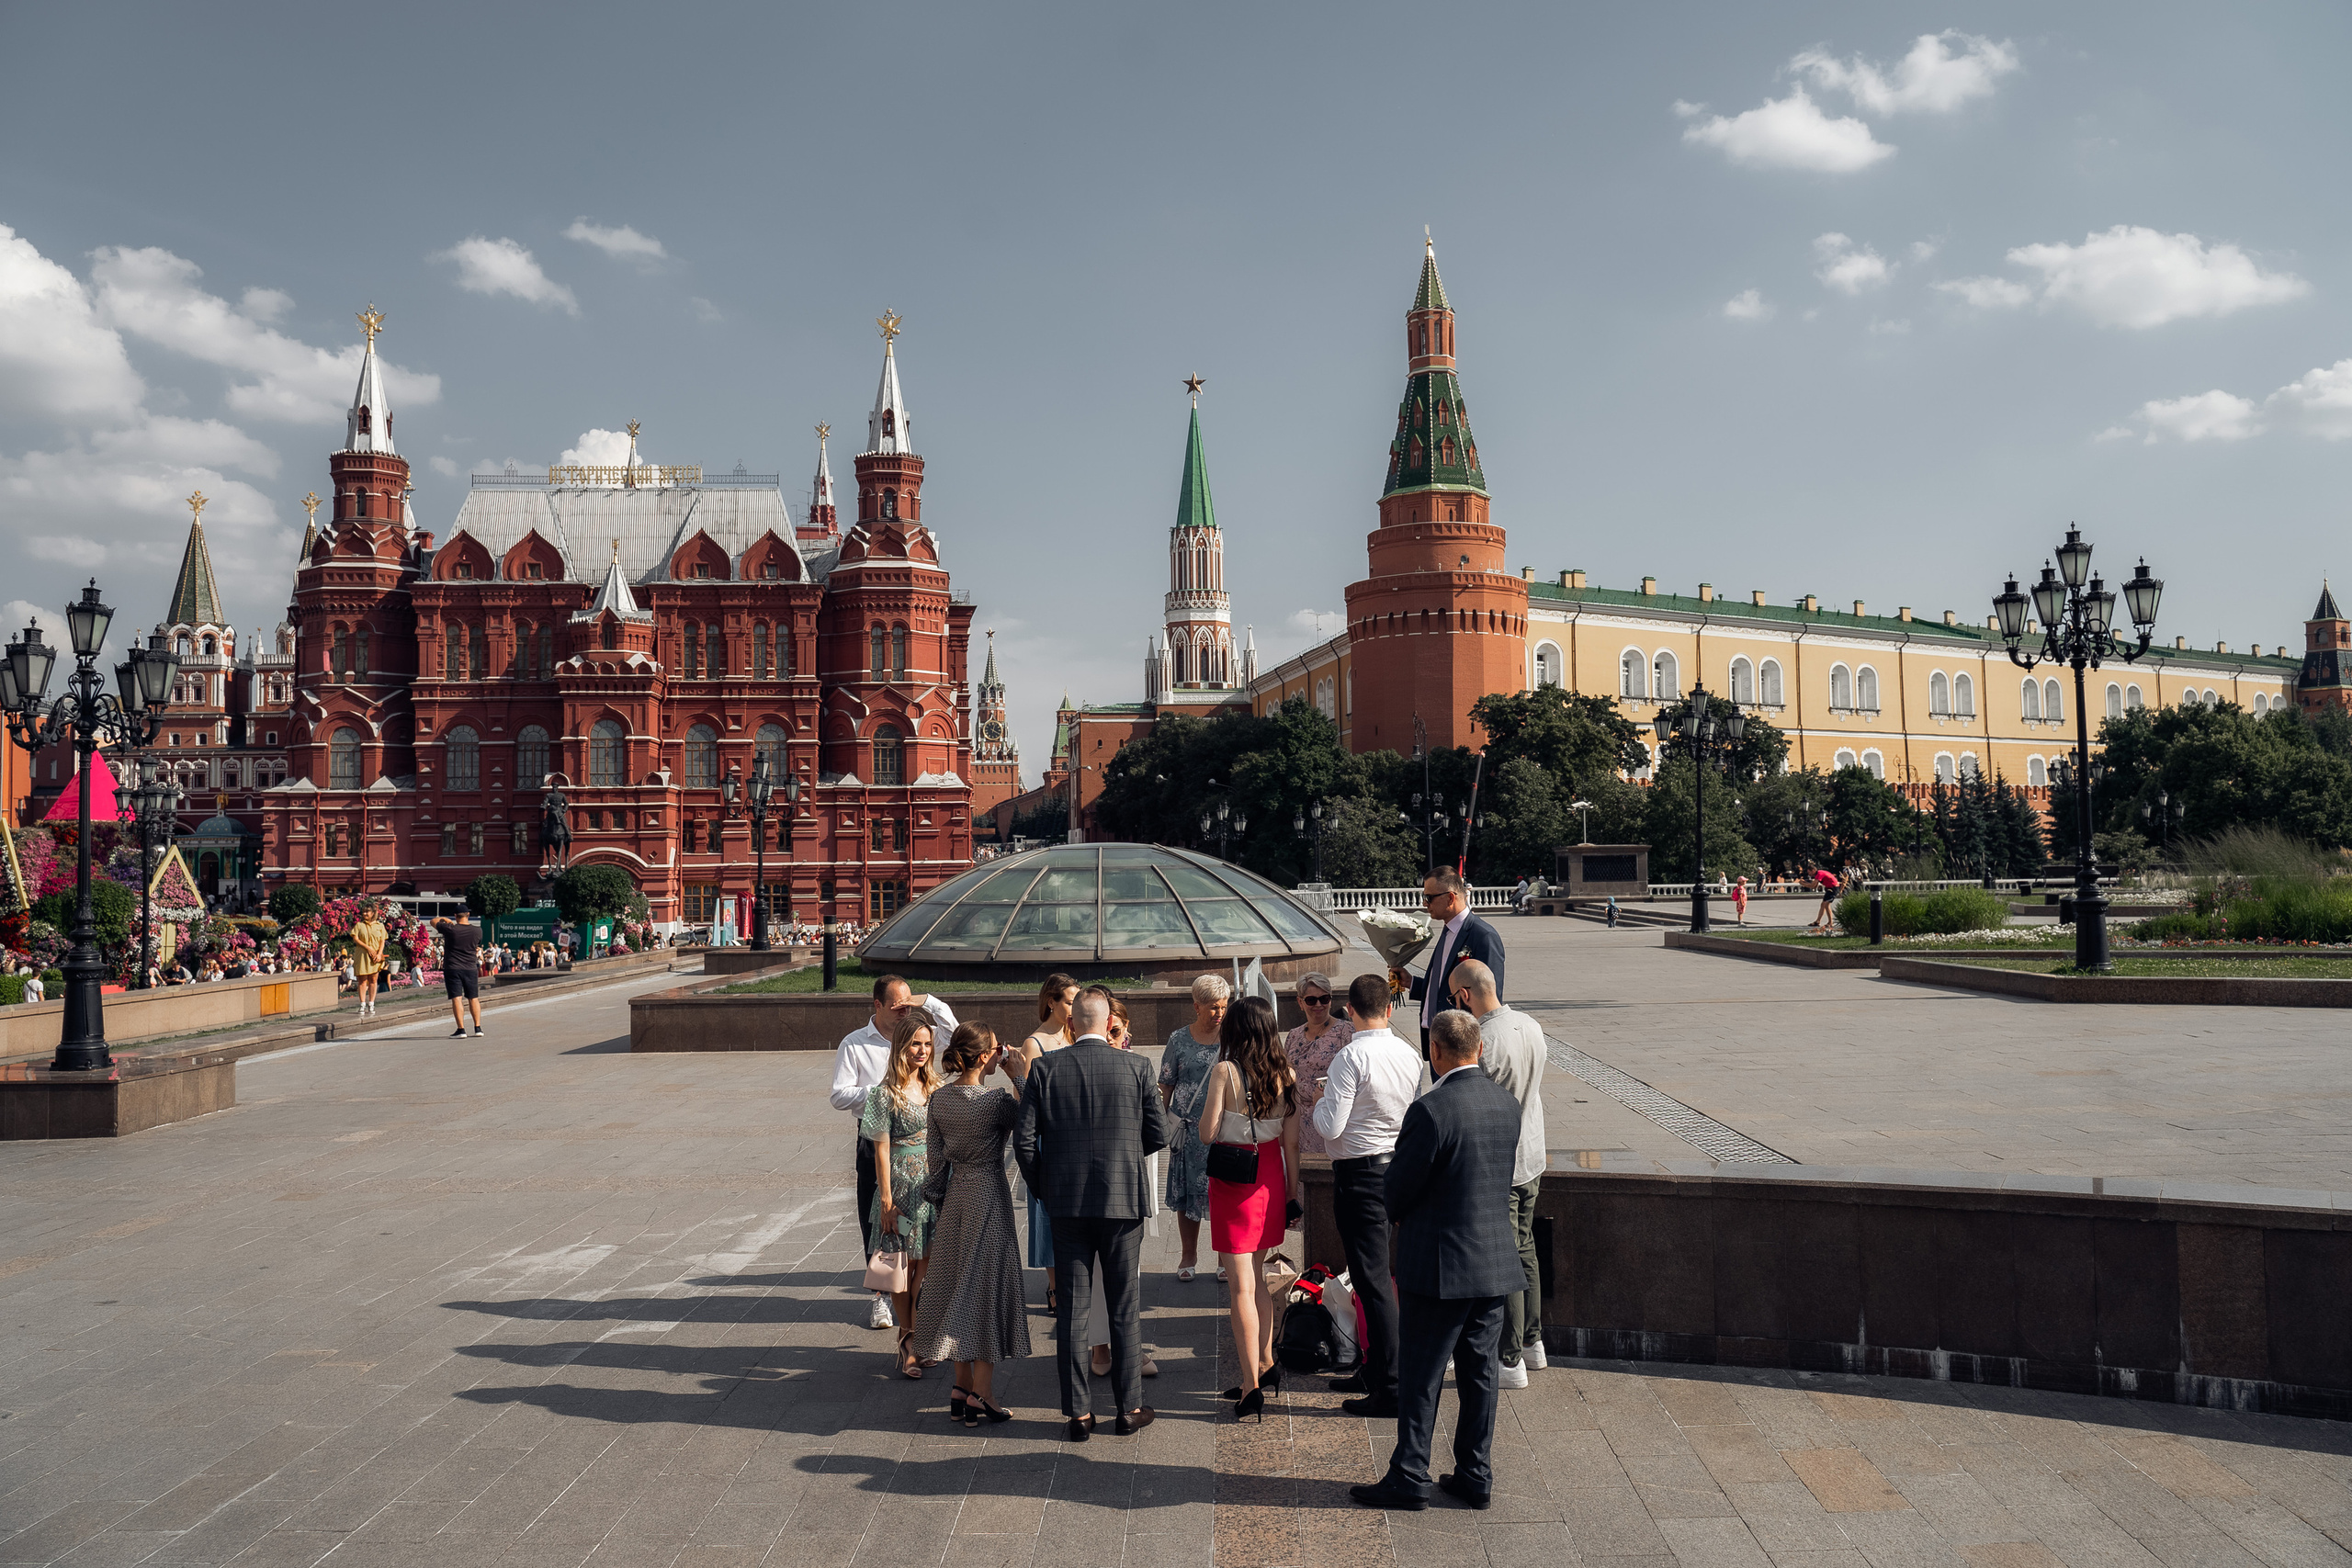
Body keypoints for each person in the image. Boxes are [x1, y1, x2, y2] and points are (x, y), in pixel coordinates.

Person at [1351, 1009, 1527, 1515]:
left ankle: (1410, 1476)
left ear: (1436, 1051)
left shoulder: (1431, 1110)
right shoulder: (1506, 1103)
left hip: (1438, 1267)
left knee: (1422, 1375)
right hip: (1492, 1264)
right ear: (1478, 1048)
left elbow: (1398, 1190)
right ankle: (1475, 1474)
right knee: (1479, 1374)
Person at [1013, 991, 1173, 1440]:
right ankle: (1129, 1408)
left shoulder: (1045, 1070)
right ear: (1108, 1025)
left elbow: (1023, 1142)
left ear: (1071, 1025)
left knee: (1072, 1310)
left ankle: (1079, 1415)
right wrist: (1124, 1156)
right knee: (1124, 1306)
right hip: (1122, 1203)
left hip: (1066, 1204)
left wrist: (1046, 1189)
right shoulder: (1137, 1067)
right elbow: (1158, 1134)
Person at [1310, 971, 1423, 1417]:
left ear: (1350, 1010)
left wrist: (1320, 1100)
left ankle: (1391, 1386)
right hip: (1394, 1168)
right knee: (1371, 1277)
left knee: (1373, 1282)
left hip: (1359, 1175)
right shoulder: (1409, 1053)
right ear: (1390, 1009)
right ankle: (1375, 1370)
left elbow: (1330, 1126)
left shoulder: (1350, 1057)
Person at [910, 1022, 1032, 1427]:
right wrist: (1019, 1076)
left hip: (955, 1200)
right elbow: (1034, 1119)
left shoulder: (939, 1099)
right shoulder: (996, 1100)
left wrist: (941, 1202)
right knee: (985, 1291)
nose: (1001, 1053)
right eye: (996, 1049)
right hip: (989, 1197)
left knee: (957, 1288)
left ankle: (960, 1389)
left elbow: (935, 1165)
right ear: (983, 1057)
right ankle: (983, 1393)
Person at [831, 974, 958, 1332]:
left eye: (908, 1004)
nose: (904, 1010)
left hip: (925, 1167)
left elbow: (953, 1034)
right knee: (884, 1230)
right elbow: (839, 1094)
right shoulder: (855, 1044)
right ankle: (882, 1296)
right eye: (897, 1006)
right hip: (879, 1145)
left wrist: (926, 1002)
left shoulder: (924, 1048)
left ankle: (914, 1326)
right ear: (878, 1005)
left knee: (923, 1245)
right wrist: (885, 1095)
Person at [1198, 995, 1301, 1421]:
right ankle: (1265, 1363)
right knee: (1258, 1279)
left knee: (1240, 1286)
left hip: (1233, 1182)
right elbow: (1291, 1145)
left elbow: (1207, 1133)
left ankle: (1250, 1387)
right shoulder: (1287, 1073)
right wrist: (1291, 1195)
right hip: (1271, 1179)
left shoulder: (1225, 1071)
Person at [1449, 959, 1547, 1389]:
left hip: (1499, 1164)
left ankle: (1509, 1360)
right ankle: (1532, 1342)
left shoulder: (1482, 1041)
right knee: (1525, 1248)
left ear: (1465, 995)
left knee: (1505, 1260)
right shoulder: (1530, 1025)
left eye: (1453, 997)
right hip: (1531, 1156)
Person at [863, 1010, 940, 1381]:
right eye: (915, 1044)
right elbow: (880, 1149)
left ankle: (917, 1337)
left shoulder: (935, 1086)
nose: (922, 1051)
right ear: (900, 1047)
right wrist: (887, 1201)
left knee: (925, 1268)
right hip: (900, 1190)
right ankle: (908, 1342)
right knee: (902, 1267)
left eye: (927, 1044)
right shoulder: (883, 1094)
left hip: (931, 1189)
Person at [1157, 973, 1229, 1280]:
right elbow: (1166, 1085)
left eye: (1223, 1006)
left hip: (1223, 1130)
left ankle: (1225, 1257)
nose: (1219, 1013)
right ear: (1197, 1006)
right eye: (1213, 1007)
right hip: (1187, 1133)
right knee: (1186, 1194)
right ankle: (1188, 1254)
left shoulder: (1233, 1037)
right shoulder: (1179, 1039)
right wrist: (1160, 1125)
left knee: (1224, 1194)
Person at [1018, 974, 1081, 1314]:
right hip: (1048, 1137)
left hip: (1076, 1134)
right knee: (1045, 1215)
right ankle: (1055, 1285)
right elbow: (1026, 1099)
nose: (1074, 1008)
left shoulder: (1077, 1034)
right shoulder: (1034, 1044)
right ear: (1051, 1002)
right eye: (1069, 1001)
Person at [1407, 870, 1505, 1055]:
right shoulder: (1447, 931)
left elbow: (1491, 999)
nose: (1425, 903)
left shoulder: (1483, 936)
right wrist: (1411, 983)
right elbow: (1443, 987)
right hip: (1438, 1041)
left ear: (1450, 898)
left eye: (1429, 897)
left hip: (1461, 1047)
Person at [1281, 972, 1351, 1158]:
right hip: (1296, 1119)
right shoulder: (1293, 1035)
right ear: (1300, 1002)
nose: (1318, 1005)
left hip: (1329, 1116)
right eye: (1311, 1000)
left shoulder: (1345, 1032)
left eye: (1324, 999)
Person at [433, 910, 484, 1038]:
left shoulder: (450, 929)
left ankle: (461, 1030)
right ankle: (478, 1028)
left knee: (457, 998)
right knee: (473, 998)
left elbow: (433, 921)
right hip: (471, 968)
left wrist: (446, 919)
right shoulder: (477, 931)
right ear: (468, 915)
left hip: (453, 968)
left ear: (455, 916)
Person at [350, 906, 387, 1018]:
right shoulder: (359, 925)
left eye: (367, 911)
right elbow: (356, 939)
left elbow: (382, 941)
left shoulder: (380, 926)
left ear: (373, 913)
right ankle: (362, 1004)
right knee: (362, 980)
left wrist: (379, 954)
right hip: (362, 955)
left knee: (373, 979)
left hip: (375, 956)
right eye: (364, 912)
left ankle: (371, 1003)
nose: (365, 914)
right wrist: (368, 948)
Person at [1807, 866, 1841, 933]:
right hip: (1829, 888)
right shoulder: (1818, 874)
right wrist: (1805, 883)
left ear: (1813, 870)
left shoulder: (1819, 874)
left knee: (1826, 904)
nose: (1809, 874)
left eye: (1809, 872)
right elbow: (1815, 886)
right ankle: (1818, 921)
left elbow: (1812, 886)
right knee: (1823, 904)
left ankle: (1830, 922)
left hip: (1833, 888)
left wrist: (1803, 883)